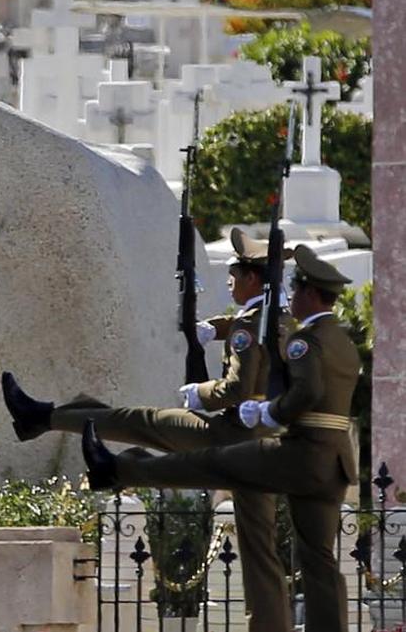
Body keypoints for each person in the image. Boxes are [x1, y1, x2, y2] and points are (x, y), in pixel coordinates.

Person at [2, 227, 295, 632]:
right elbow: (258, 341)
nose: (228, 279)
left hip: (227, 439)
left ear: (252, 278)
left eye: (234, 271)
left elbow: (236, 388)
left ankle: (43, 418)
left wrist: (200, 394)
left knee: (141, 422)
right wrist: (217, 328)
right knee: (261, 553)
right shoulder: (281, 319)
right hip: (263, 445)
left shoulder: (250, 328)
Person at [80, 244, 360, 632]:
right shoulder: (342, 341)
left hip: (300, 453)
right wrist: (222, 327)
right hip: (336, 460)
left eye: (296, 292)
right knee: (318, 561)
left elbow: (306, 391)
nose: (290, 298)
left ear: (311, 294)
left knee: (214, 464)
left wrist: (268, 411)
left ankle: (116, 468)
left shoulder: (306, 341)